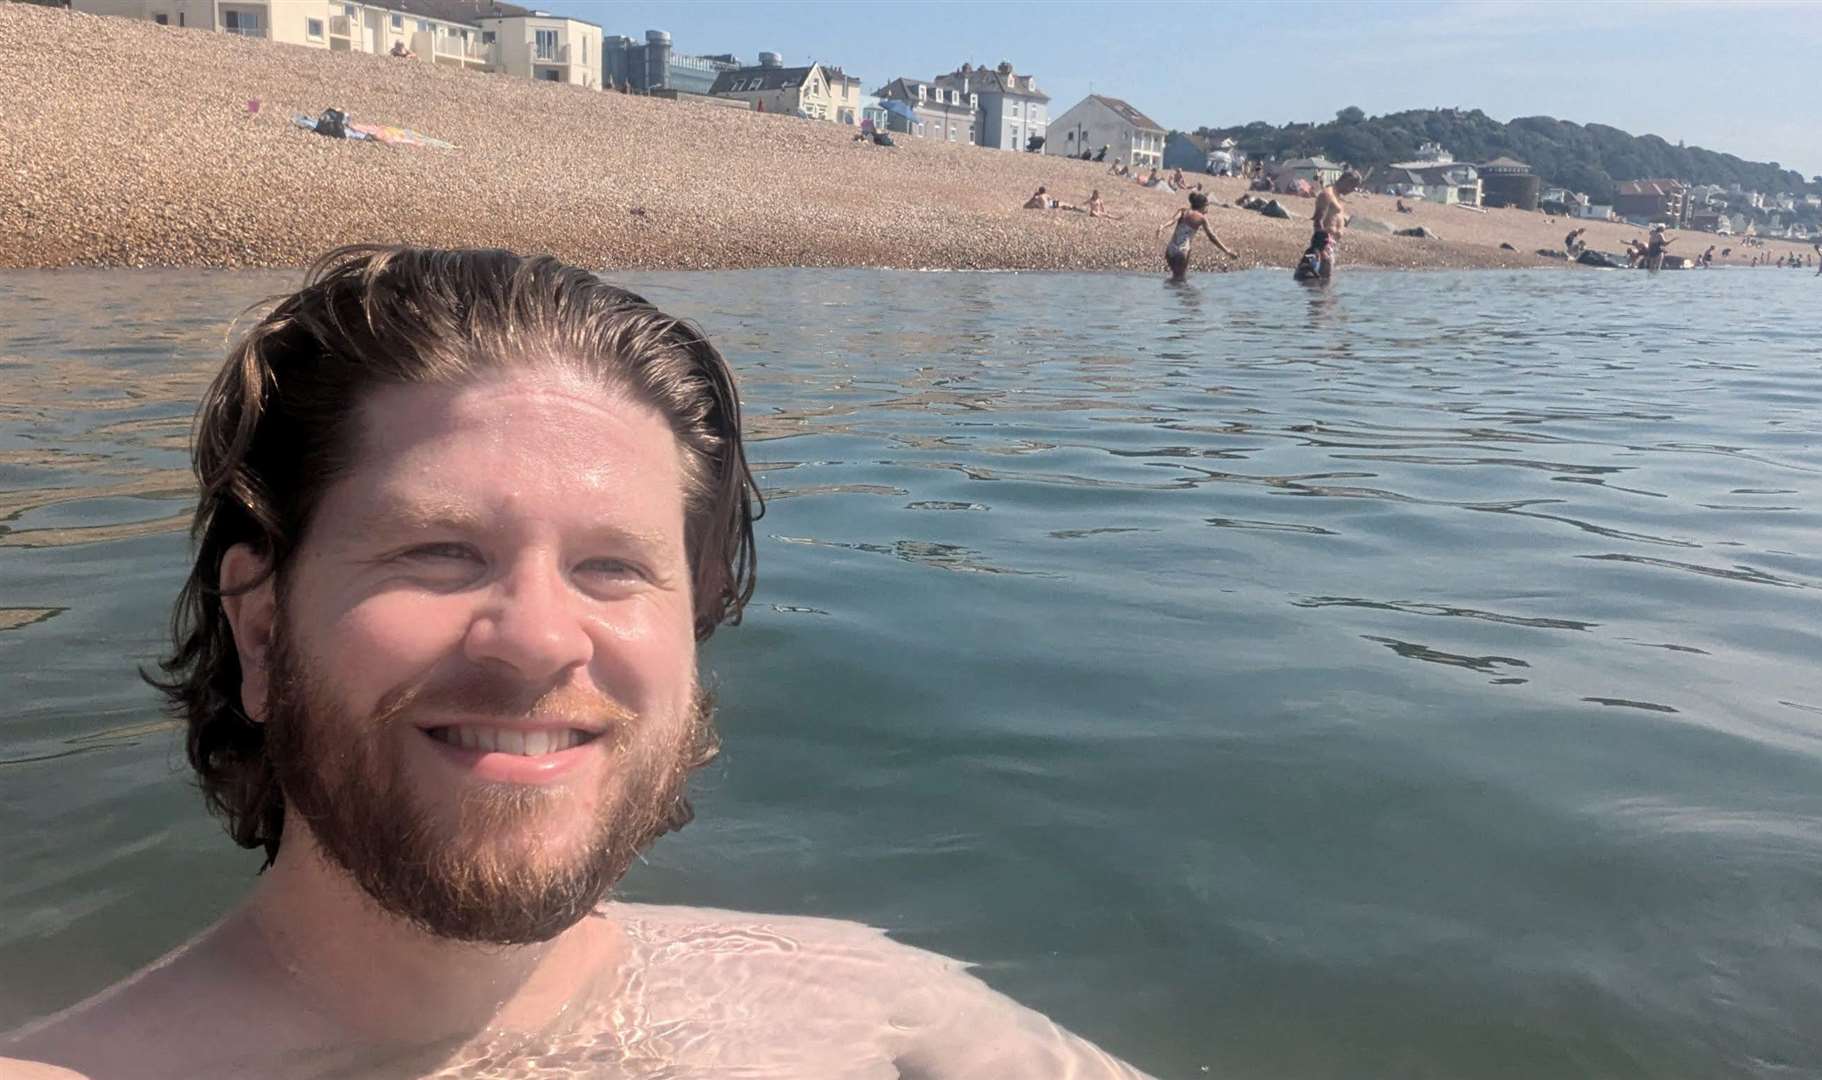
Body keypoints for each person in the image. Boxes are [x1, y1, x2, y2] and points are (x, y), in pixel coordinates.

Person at [0, 246, 1149, 1079]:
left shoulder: (871, 1004)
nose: (544, 637)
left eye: (611, 567)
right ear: (259, 630)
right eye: (439, 553)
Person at [1157, 191, 1237, 282]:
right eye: (1207, 205)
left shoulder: (1183, 211)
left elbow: (1172, 220)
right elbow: (1212, 237)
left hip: (1170, 250)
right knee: (1180, 280)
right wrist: (1227, 251)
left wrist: (1162, 227)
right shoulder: (1201, 218)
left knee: (1174, 278)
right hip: (1182, 251)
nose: (1208, 209)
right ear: (1203, 205)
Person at [1298, 168, 1361, 281]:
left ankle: (1321, 297)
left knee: (1325, 282)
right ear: (1345, 180)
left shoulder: (1337, 197)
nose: (1352, 190)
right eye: (1352, 186)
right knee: (1323, 280)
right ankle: (1318, 297)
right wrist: (1322, 248)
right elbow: (1318, 220)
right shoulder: (1327, 194)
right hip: (1323, 244)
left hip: (1331, 244)